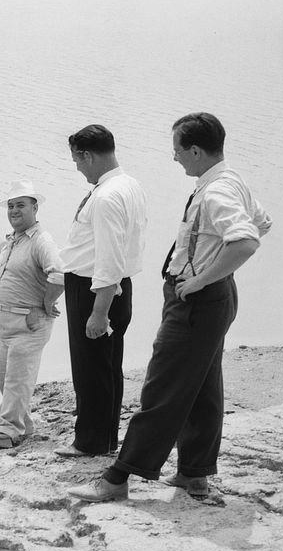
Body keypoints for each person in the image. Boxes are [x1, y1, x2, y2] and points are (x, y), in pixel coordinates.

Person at [69, 112, 271, 502]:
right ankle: (194, 473)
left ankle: (116, 479)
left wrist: (199, 277)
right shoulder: (231, 180)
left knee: (161, 386)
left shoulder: (215, 191)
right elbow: (261, 221)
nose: (174, 157)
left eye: (177, 149)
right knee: (203, 387)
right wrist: (215, 266)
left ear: (195, 150)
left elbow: (246, 240)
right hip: (217, 297)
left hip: (196, 299)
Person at [56, 125, 148, 457]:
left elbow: (109, 257)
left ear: (88, 155)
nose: (77, 167)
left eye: (77, 160)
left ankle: (91, 442)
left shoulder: (108, 196)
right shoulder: (129, 185)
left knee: (90, 369)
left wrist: (99, 311)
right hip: (116, 287)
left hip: (96, 289)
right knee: (107, 367)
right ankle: (105, 439)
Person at [0, 180, 65, 450]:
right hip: (2, 323)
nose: (14, 211)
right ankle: (24, 424)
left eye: (21, 205)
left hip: (27, 325)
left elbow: (60, 274)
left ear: (34, 208)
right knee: (3, 378)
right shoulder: (6, 241)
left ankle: (6, 430)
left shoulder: (42, 240)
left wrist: (44, 303)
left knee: (17, 380)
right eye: (10, 206)